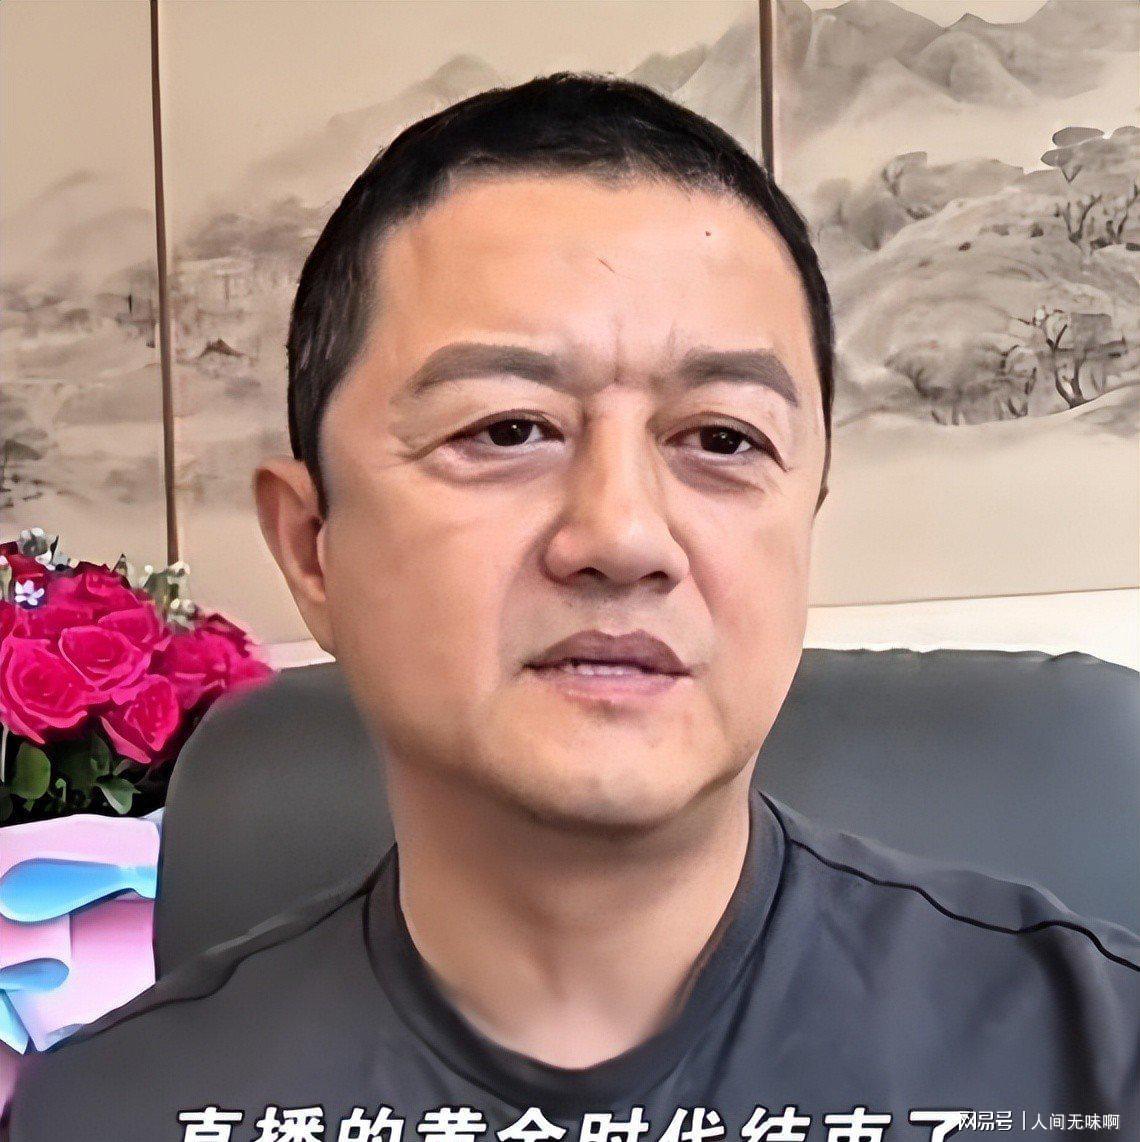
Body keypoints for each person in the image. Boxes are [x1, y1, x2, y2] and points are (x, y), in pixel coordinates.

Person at [8, 73, 1138, 1142]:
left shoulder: (1092, 1063)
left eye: (723, 439)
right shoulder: (120, 1112)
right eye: (507, 429)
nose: (623, 536)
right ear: (314, 547)